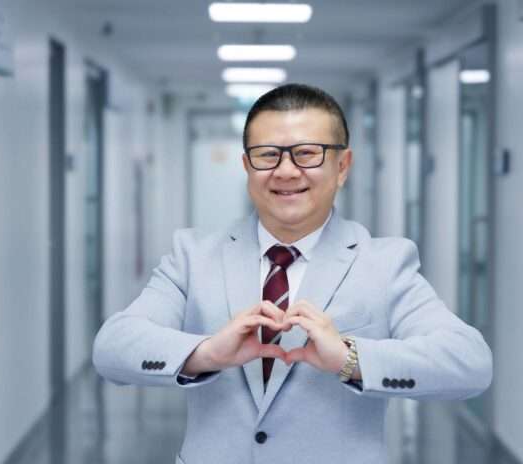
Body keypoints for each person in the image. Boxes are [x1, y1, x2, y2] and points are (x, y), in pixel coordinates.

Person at [92, 83, 493, 464]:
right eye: (268, 155)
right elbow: (113, 347)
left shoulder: (385, 264)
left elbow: (469, 363)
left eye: (307, 153)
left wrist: (349, 359)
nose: (285, 171)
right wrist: (208, 353)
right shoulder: (193, 256)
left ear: (342, 166)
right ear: (247, 166)